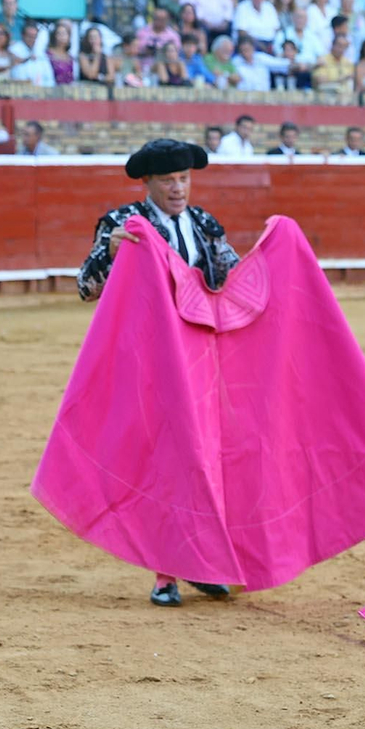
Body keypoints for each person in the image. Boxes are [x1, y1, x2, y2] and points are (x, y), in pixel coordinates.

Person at [75, 139, 242, 607]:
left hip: (204, 362)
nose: (178, 188)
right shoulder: (124, 224)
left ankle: (205, 564)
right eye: (168, 180)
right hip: (148, 365)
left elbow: (233, 279)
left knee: (210, 461)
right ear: (146, 183)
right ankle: (166, 574)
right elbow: (86, 287)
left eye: (184, 179)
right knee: (165, 465)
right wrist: (109, 251)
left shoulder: (205, 224)